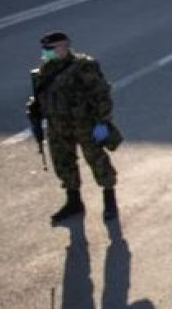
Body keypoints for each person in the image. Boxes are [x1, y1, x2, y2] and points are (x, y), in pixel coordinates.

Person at [26, 31, 121, 224]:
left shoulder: (83, 66)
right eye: (44, 49)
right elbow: (43, 96)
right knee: (63, 162)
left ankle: (109, 200)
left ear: (63, 47)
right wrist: (36, 109)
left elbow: (102, 94)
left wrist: (102, 122)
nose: (46, 53)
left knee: (97, 161)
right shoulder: (45, 69)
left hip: (84, 123)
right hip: (58, 124)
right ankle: (74, 202)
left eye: (50, 49)